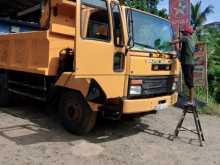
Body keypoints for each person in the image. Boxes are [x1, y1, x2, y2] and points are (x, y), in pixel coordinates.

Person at [179, 26, 195, 105]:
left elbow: (175, 41)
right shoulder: (192, 40)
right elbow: (186, 52)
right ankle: (190, 99)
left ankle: (191, 101)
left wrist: (167, 43)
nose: (183, 34)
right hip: (191, 63)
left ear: (187, 33)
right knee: (189, 81)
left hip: (187, 63)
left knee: (189, 82)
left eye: (184, 32)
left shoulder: (186, 38)